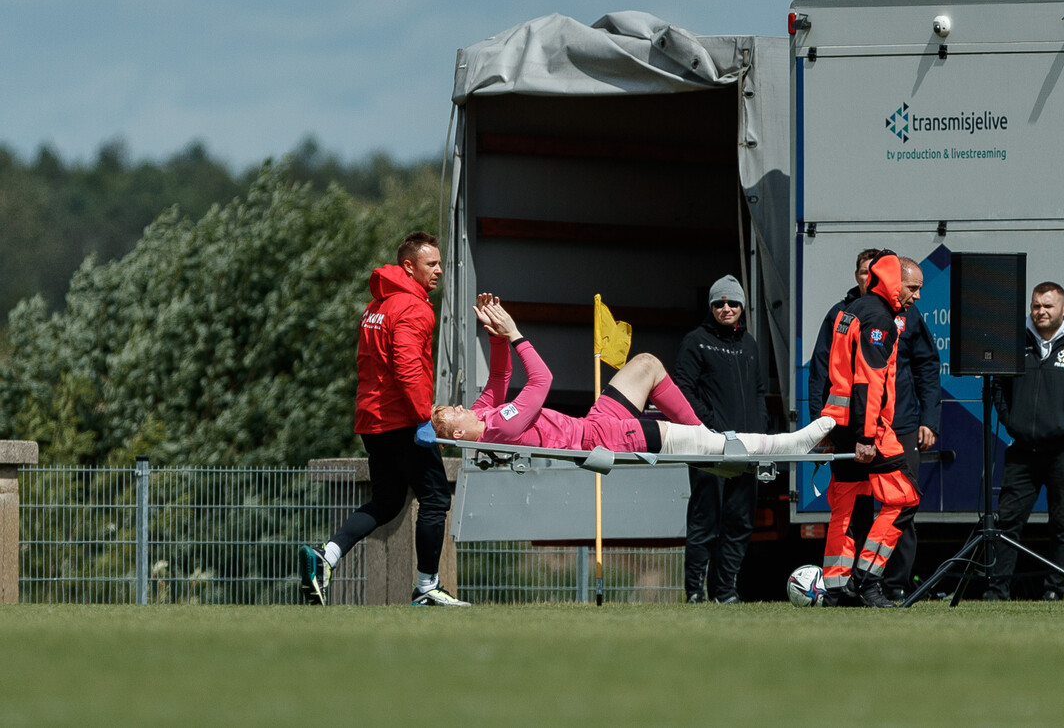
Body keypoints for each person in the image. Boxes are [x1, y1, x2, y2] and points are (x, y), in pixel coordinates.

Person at [433, 294, 834, 461]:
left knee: (646, 363)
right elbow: (541, 380)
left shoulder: (482, 417)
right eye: (453, 413)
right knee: (705, 442)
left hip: (594, 423)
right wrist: (516, 333)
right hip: (602, 439)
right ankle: (789, 445)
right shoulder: (497, 431)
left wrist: (495, 333)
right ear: (462, 435)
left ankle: (703, 441)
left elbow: (500, 373)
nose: (459, 406)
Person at [299, 231, 469, 607]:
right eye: (431, 264)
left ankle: (326, 557)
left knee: (388, 500)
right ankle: (427, 588)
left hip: (372, 420)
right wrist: (423, 418)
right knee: (436, 497)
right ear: (408, 266)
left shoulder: (376, 306)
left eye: (440, 263)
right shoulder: (413, 308)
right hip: (402, 419)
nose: (439, 270)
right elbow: (408, 368)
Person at [809, 252, 941, 602]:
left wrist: (826, 428)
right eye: (912, 288)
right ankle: (868, 580)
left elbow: (825, 372)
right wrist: (866, 436)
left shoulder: (850, 310)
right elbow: (868, 381)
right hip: (869, 429)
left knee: (847, 506)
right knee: (905, 497)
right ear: (894, 283)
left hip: (840, 426)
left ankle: (837, 589)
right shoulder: (880, 319)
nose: (917, 297)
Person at [983, 282, 1064, 601]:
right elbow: (997, 387)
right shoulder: (1015, 344)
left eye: (1048, 306)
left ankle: (1054, 593)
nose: (1041, 311)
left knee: (1061, 525)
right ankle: (996, 592)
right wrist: (1010, 420)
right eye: (1036, 306)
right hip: (1022, 453)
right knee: (1007, 523)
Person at [672, 275, 770, 604]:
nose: (726, 308)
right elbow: (681, 390)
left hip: (746, 449)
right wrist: (711, 425)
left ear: (742, 306)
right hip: (708, 447)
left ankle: (725, 591)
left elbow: (759, 392)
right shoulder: (696, 341)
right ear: (711, 306)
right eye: (719, 303)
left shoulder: (750, 345)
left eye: (733, 303)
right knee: (705, 520)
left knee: (740, 522)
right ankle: (694, 593)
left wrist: (761, 430)